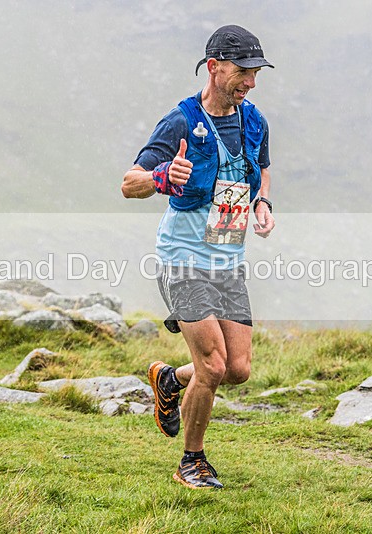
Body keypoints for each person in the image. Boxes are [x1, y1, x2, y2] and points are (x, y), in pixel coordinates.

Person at [121, 25, 275, 489]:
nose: (251, 82)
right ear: (214, 67)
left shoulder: (255, 121)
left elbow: (263, 169)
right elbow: (129, 183)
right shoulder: (181, 122)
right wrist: (163, 176)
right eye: (243, 71)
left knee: (237, 369)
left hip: (228, 258)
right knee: (211, 367)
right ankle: (192, 461)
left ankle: (170, 380)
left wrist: (262, 203)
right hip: (183, 258)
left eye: (256, 73)